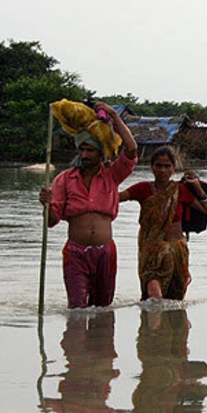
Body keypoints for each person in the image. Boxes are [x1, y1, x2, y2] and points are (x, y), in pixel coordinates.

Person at [38, 101, 138, 308]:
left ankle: (99, 341)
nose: (84, 155)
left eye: (90, 150)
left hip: (105, 252)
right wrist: (45, 206)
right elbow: (51, 222)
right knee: (76, 308)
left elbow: (131, 148)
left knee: (104, 309)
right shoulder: (64, 179)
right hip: (76, 252)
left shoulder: (112, 175)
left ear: (101, 152)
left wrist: (113, 114)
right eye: (81, 149)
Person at [119, 146, 207, 300]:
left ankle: (168, 322)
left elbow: (206, 209)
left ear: (174, 168)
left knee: (176, 298)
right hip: (152, 251)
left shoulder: (180, 190)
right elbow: (114, 198)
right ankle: (154, 321)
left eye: (167, 166)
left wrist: (197, 187)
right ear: (151, 167)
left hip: (177, 250)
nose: (162, 170)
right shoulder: (143, 189)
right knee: (154, 295)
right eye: (158, 166)